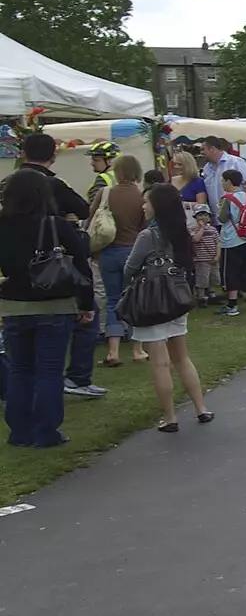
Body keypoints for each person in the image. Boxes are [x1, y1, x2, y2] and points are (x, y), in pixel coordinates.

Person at [0, 169, 94, 447]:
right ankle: (46, 431)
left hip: (15, 306)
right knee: (49, 371)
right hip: (55, 304)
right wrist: (86, 303)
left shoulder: (2, 225)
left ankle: (19, 431)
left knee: (20, 369)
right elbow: (81, 264)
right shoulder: (56, 226)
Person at [10, 135, 106, 400]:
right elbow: (82, 211)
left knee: (21, 364)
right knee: (55, 355)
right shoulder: (52, 187)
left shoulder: (10, 183)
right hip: (51, 273)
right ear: (52, 155)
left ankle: (21, 422)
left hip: (14, 284)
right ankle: (77, 377)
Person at [124, 183, 212, 432]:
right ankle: (201, 408)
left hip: (152, 300)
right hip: (176, 297)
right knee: (182, 357)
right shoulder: (180, 232)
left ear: (157, 206)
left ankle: (171, 417)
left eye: (146, 202)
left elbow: (130, 268)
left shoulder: (148, 235)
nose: (143, 206)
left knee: (160, 363)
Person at [93, 152, 145, 367]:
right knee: (134, 300)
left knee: (113, 300)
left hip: (108, 252)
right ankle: (137, 349)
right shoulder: (141, 196)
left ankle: (113, 351)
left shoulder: (106, 193)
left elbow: (92, 219)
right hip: (132, 251)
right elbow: (145, 227)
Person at [217, 168, 246, 316]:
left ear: (229, 181)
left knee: (231, 272)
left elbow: (222, 218)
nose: (222, 183)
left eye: (223, 180)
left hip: (232, 239)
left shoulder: (227, 199)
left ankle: (232, 304)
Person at [200, 137, 246, 209]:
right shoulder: (207, 168)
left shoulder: (236, 162)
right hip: (216, 215)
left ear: (212, 149)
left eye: (203, 149)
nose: (201, 153)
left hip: (236, 214)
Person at [190, 204, 221, 304]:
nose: (203, 217)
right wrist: (202, 228)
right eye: (200, 215)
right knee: (202, 278)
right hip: (201, 259)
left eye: (205, 215)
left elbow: (218, 243)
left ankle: (212, 294)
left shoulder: (213, 230)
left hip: (213, 258)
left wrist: (217, 256)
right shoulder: (193, 230)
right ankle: (201, 297)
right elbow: (195, 239)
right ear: (195, 218)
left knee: (213, 277)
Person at [173, 149, 207, 214]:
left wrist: (182, 204)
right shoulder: (171, 180)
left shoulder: (198, 182)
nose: (176, 167)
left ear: (188, 165)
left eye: (180, 164)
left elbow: (201, 205)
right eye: (175, 164)